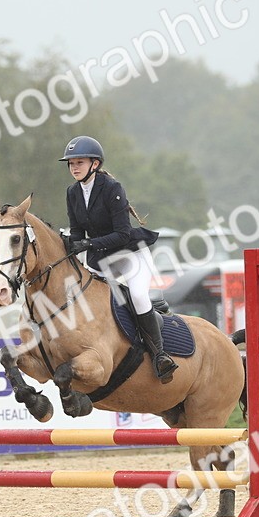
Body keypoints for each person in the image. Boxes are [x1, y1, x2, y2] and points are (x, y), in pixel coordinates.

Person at [60, 135, 177, 380]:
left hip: (130, 254)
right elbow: (77, 232)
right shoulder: (72, 193)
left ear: (95, 164)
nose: (74, 168)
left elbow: (122, 234)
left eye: (79, 162)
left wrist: (89, 243)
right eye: (71, 163)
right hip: (101, 258)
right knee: (89, 296)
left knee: (136, 295)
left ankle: (160, 356)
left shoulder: (112, 188)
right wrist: (69, 243)